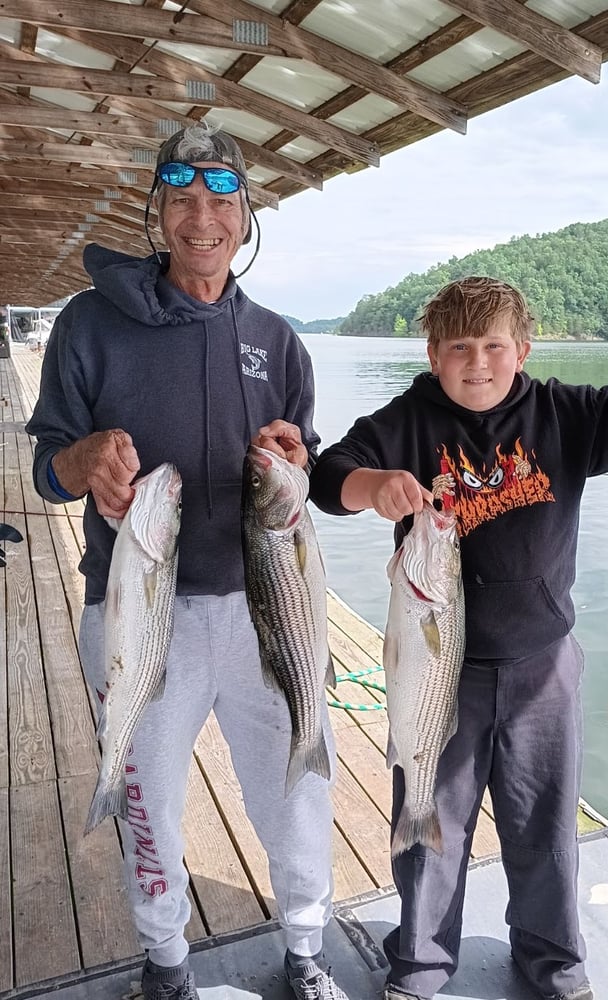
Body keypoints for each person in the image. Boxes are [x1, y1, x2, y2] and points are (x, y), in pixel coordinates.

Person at [26, 122, 349, 1000]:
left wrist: (293, 456)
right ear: (157, 213)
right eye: (182, 201)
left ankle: (306, 948)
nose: (200, 219)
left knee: (294, 793)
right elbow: (44, 463)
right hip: (137, 614)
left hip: (263, 615)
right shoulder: (89, 325)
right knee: (148, 805)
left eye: (219, 202)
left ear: (246, 219)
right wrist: (80, 462)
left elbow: (302, 455)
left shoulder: (279, 340)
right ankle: (165, 965)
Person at [307, 276, 608, 1000]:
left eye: (493, 346)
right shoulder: (408, 422)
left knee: (544, 828)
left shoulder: (564, 413)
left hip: (543, 665)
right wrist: (372, 485)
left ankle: (552, 960)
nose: (476, 362)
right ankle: (419, 966)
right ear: (431, 353)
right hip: (437, 673)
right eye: (458, 347)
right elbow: (328, 478)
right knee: (432, 827)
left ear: (522, 348)